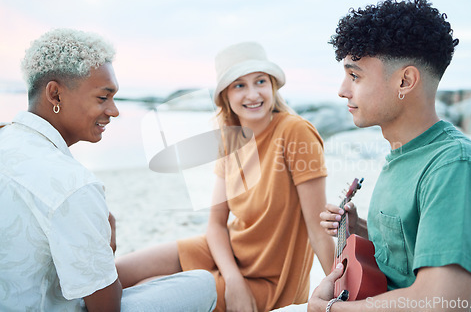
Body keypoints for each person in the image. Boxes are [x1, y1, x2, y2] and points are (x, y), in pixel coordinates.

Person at [0, 28, 216, 312]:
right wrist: (107, 243)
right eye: (103, 97)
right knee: (202, 283)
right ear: (55, 94)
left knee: (153, 279)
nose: (114, 111)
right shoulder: (73, 184)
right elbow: (105, 307)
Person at [307, 0, 471, 312]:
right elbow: (411, 255)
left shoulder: (454, 167)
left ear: (405, 81)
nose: (342, 90)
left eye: (355, 76)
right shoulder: (403, 154)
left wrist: (329, 309)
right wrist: (362, 232)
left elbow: (445, 302)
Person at [116, 41, 336, 311]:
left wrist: (339, 295)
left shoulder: (295, 132)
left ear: (273, 87)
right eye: (239, 85)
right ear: (226, 96)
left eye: (260, 81)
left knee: (145, 295)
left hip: (269, 279)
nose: (253, 94)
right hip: (227, 254)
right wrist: (233, 280)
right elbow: (216, 224)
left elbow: (318, 227)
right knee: (117, 274)